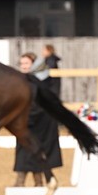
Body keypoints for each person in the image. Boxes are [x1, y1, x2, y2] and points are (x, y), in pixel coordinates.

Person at [14, 52, 63, 186]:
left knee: (40, 148)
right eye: (22, 63)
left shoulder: (44, 80)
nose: (23, 66)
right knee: (23, 148)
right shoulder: (18, 80)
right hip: (25, 119)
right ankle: (20, 180)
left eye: (26, 63)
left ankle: (38, 179)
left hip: (43, 119)